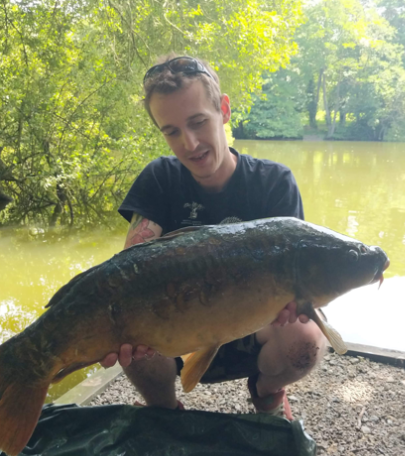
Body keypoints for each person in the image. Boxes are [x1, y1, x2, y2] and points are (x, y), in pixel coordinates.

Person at [100, 54, 326, 419]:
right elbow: (131, 273)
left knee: (306, 338)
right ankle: (165, 411)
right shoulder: (159, 178)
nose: (189, 143)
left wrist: (296, 301)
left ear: (223, 109)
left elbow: (300, 280)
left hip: (253, 329)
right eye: (171, 131)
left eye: (198, 122)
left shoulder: (274, 183)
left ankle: (266, 392)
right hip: (175, 334)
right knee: (129, 329)